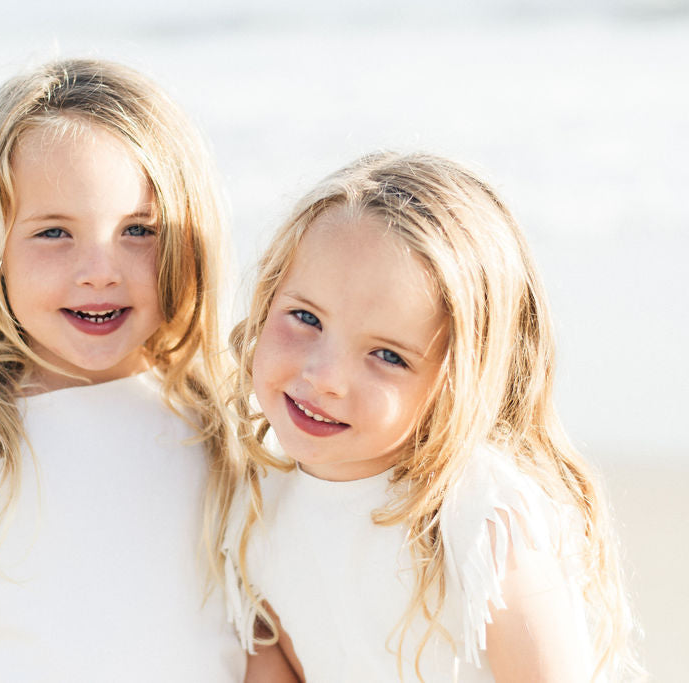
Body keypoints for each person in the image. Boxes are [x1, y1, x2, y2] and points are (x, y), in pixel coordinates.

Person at [0, 58, 245, 682]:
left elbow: (261, 639)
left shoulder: (225, 425)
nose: (99, 270)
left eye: (138, 230)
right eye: (53, 233)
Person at [223, 152, 643, 681]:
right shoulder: (260, 503)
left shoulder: (480, 520)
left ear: (460, 379)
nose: (325, 374)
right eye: (305, 317)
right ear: (267, 300)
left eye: (388, 355)